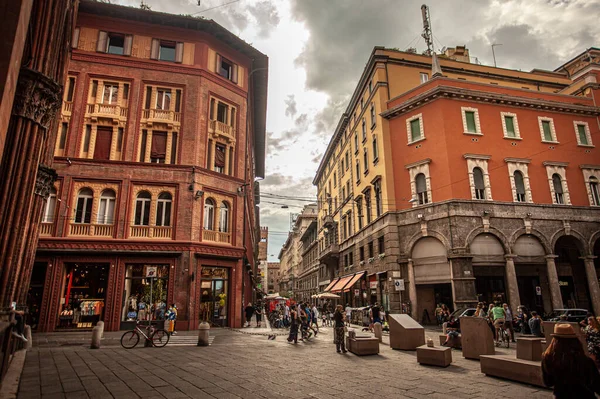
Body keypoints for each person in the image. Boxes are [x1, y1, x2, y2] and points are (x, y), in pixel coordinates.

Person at [542, 323, 600, 398]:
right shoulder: (585, 361)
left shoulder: (547, 358)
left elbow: (548, 383)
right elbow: (596, 384)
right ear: (575, 341)